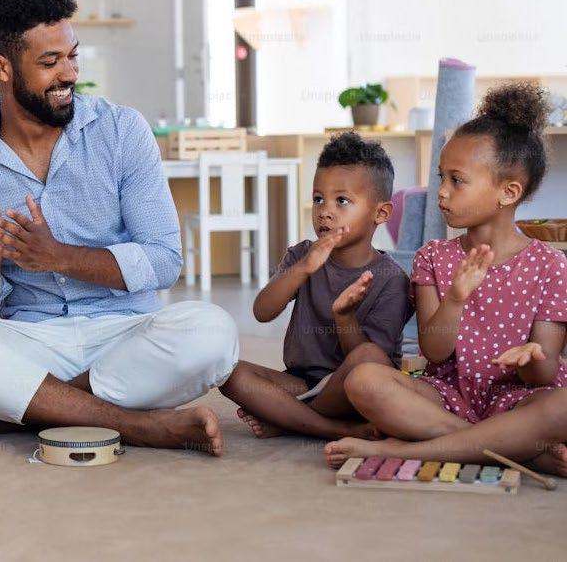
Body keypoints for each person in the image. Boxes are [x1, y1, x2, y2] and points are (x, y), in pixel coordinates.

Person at [0, 0, 239, 454]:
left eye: (73, 56)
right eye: (50, 62)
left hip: (125, 336)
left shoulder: (122, 130)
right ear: (1, 66)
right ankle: (137, 425)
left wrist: (58, 257)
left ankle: (31, 409)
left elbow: (164, 262)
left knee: (212, 332)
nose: (70, 73)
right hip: (31, 341)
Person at [324, 84, 567, 476]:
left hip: (521, 400)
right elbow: (434, 352)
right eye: (442, 177)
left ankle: (401, 449)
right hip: (447, 398)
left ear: (508, 192)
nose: (441, 192)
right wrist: (455, 298)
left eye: (457, 180)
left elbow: (544, 374)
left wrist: (531, 359)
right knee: (363, 381)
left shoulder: (551, 265)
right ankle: (516, 449)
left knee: (562, 406)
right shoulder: (433, 257)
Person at [219, 132, 412, 440]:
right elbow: (262, 311)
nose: (325, 211)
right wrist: (304, 268)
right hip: (302, 383)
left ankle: (289, 417)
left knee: (368, 358)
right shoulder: (302, 256)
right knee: (227, 371)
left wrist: (344, 316)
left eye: (342, 201)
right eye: (318, 199)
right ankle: (329, 427)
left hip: (353, 389)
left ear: (381, 213)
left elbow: (371, 365)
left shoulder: (392, 279)